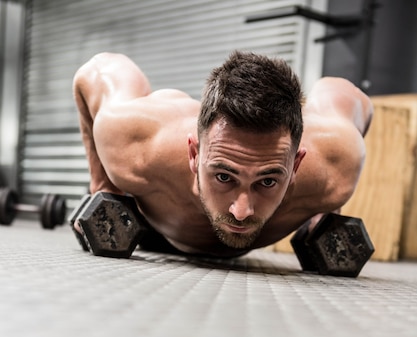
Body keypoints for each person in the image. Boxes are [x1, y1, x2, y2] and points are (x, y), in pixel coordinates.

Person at [73, 50, 373, 258]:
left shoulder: (335, 167)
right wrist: (104, 188)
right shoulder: (138, 145)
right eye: (224, 176)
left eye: (267, 182)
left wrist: (328, 208)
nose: (241, 212)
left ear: (295, 166)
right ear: (193, 154)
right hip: (150, 224)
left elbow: (349, 95)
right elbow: (97, 69)